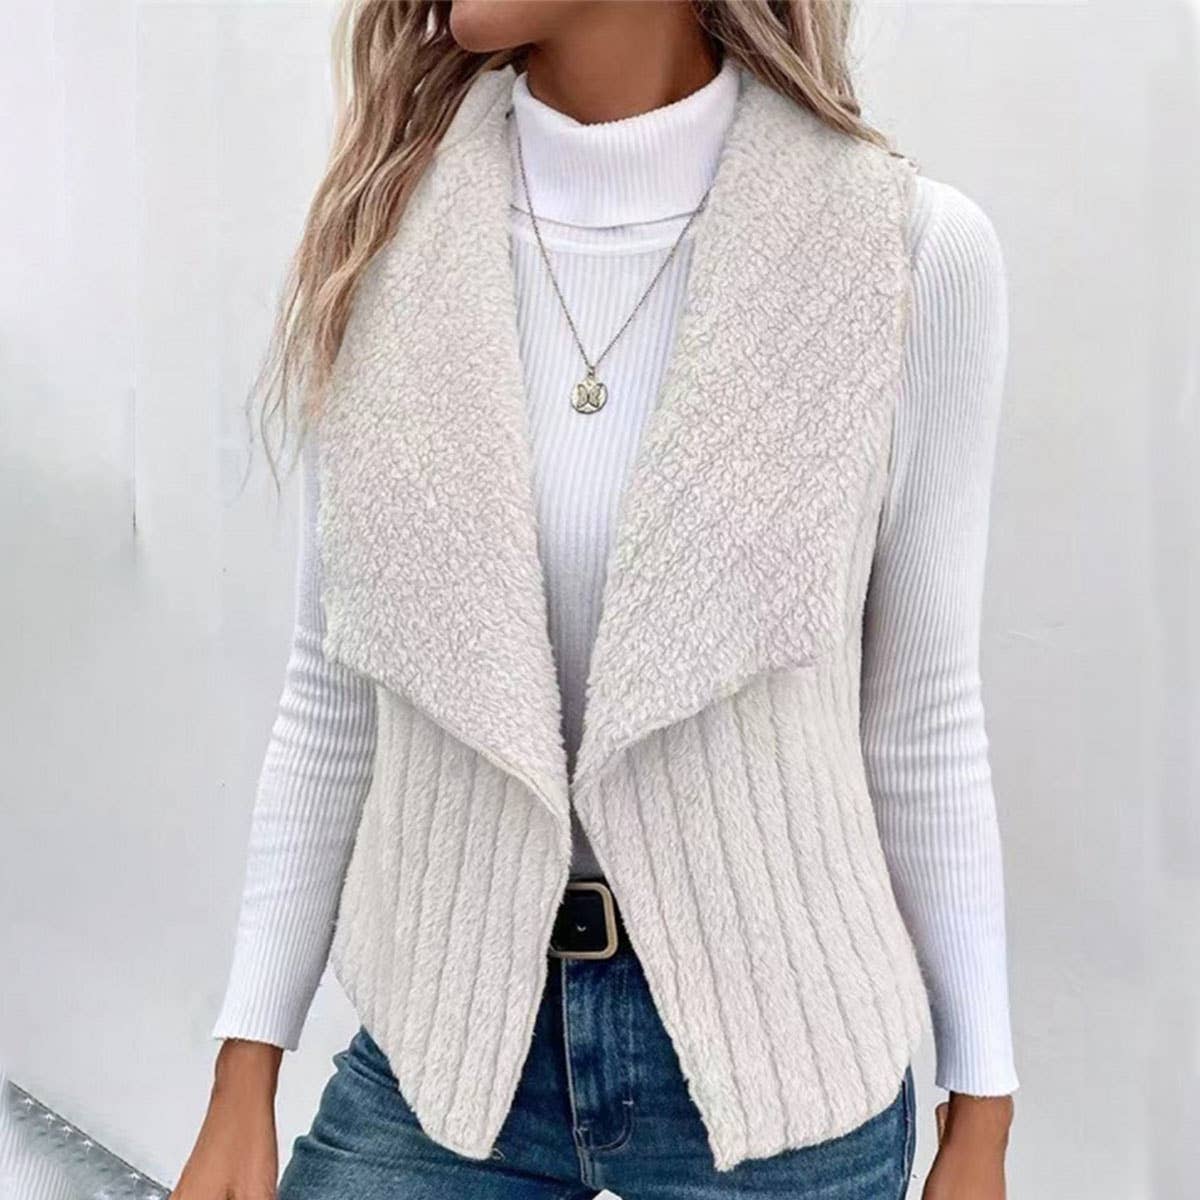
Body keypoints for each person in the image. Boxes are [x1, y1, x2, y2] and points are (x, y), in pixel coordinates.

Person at [173, 2, 1018, 1197]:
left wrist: (980, 1110)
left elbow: (922, 712)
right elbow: (333, 693)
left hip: (783, 1063)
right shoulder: (388, 235)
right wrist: (244, 1068)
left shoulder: (902, 249)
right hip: (448, 1050)